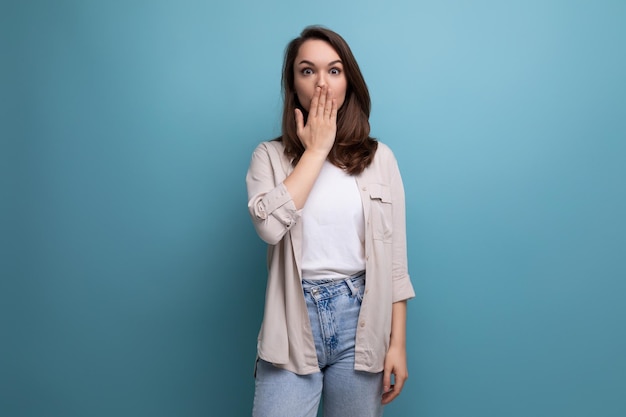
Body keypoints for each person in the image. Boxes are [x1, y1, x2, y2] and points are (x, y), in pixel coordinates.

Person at [246, 26, 415, 417]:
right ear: (294, 85)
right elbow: (269, 228)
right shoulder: (267, 158)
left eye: (334, 70)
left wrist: (397, 345)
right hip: (290, 321)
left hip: (362, 321)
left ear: (348, 81)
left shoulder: (380, 159)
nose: (322, 82)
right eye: (307, 71)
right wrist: (316, 150)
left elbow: (395, 264)